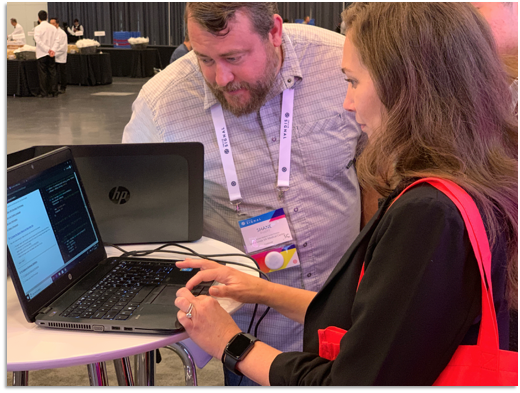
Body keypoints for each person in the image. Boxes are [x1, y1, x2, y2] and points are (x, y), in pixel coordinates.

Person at [174, 2, 518, 385]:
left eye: (353, 81)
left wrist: (229, 343)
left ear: (404, 85)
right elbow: (378, 322)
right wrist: (262, 291)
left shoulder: (430, 214)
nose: (347, 102)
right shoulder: (474, 175)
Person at [123, 2, 363, 386]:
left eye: (235, 57)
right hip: (248, 337)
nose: (221, 77)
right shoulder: (162, 103)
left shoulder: (338, 64)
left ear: (274, 33)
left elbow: (377, 172)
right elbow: (134, 220)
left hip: (351, 316)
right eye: (203, 58)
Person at [34, 10, 58, 98]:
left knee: (43, 74)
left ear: (38, 18)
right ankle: (54, 91)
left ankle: (44, 92)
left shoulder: (37, 28)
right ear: (47, 17)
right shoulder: (53, 28)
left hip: (42, 54)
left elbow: (38, 41)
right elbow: (57, 40)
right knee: (52, 72)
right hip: (51, 53)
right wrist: (52, 50)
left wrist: (47, 49)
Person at [50, 18, 68, 94]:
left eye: (53, 23)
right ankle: (54, 87)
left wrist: (55, 53)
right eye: (50, 23)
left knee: (62, 72)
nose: (51, 25)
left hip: (61, 56)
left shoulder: (62, 33)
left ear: (57, 24)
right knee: (54, 73)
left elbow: (63, 47)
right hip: (53, 55)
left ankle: (63, 87)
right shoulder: (51, 32)